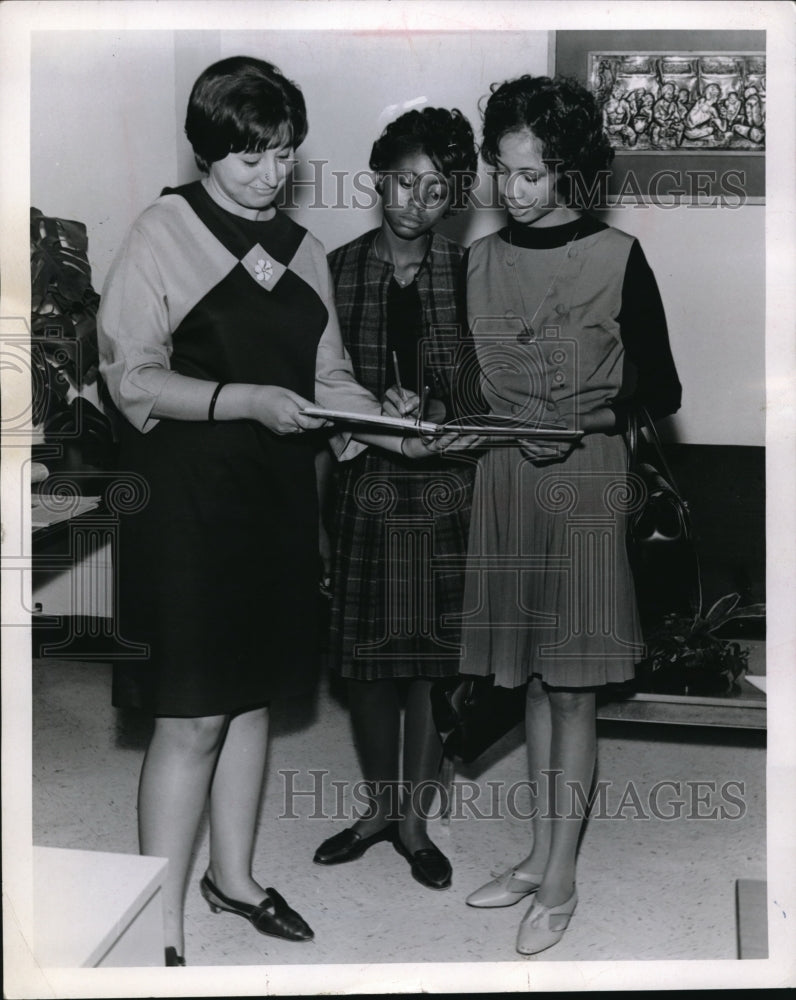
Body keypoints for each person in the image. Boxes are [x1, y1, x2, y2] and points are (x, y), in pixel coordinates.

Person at [97, 56, 439, 966]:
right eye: (249, 156)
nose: (270, 173)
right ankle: (152, 927)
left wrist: (389, 423)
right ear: (208, 150)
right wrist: (242, 399)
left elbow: (325, 381)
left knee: (250, 701)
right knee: (192, 714)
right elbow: (130, 376)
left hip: (276, 502)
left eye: (284, 153)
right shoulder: (162, 231)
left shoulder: (304, 250)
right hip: (187, 501)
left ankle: (233, 880)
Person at [458, 75, 681, 955]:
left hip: (585, 478)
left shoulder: (620, 255)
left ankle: (559, 879)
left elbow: (660, 389)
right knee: (534, 688)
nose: (515, 192)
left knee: (576, 690)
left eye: (535, 175)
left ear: (572, 173)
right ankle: (538, 851)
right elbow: (468, 382)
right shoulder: (478, 260)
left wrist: (575, 418)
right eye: (504, 173)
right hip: (506, 478)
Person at [312, 108, 479, 890]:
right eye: (404, 181)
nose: (416, 200)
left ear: (454, 197)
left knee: (432, 670)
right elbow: (314, 393)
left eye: (436, 189)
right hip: (366, 486)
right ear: (378, 177)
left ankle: (415, 822)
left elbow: (487, 391)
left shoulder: (471, 274)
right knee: (371, 668)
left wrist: (443, 411)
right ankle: (379, 809)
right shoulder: (334, 269)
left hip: (449, 493)